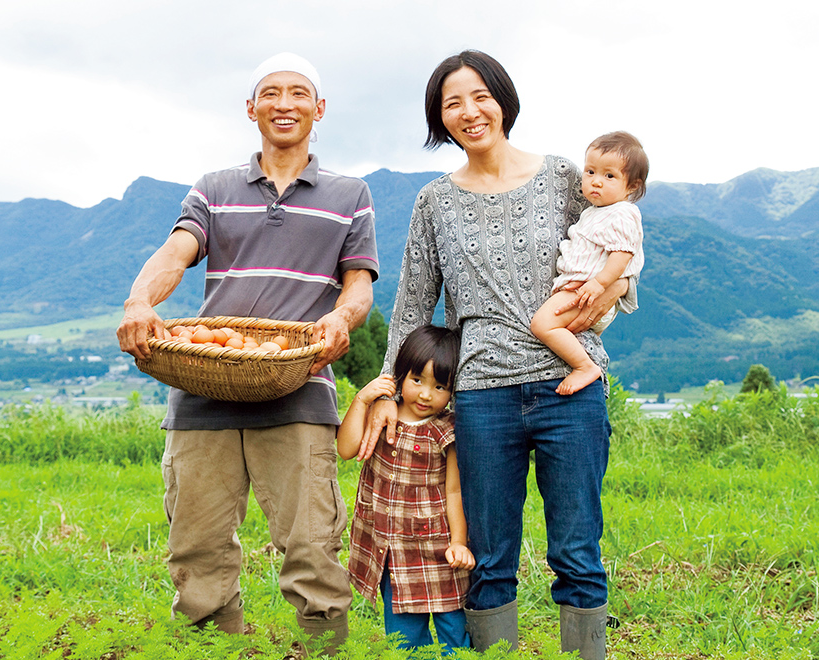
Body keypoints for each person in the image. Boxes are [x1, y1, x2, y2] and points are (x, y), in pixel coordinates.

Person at [361, 51, 637, 660]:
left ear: (503, 99)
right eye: (452, 102)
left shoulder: (567, 178)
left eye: (480, 95)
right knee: (488, 556)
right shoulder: (434, 202)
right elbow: (413, 306)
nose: (469, 111)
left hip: (570, 385)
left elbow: (619, 243)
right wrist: (386, 386)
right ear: (440, 118)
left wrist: (616, 285)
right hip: (482, 396)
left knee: (577, 549)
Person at [116, 52, 379, 655]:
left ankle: (323, 651)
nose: (283, 104)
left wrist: (340, 318)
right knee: (198, 544)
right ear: (251, 108)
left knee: (312, 545)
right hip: (203, 392)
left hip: (300, 389)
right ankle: (215, 649)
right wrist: (138, 301)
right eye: (270, 93)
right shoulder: (214, 188)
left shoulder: (349, 194)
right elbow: (176, 252)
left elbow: (358, 284)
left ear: (318, 110)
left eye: (297, 94)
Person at [337, 325, 475, 655]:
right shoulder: (381, 416)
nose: (426, 394)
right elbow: (345, 448)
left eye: (439, 386)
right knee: (404, 638)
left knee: (454, 628)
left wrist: (459, 543)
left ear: (452, 390)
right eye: (417, 381)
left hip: (437, 550)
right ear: (400, 376)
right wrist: (363, 398)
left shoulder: (446, 431)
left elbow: (454, 491)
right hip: (391, 550)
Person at [530, 131, 648, 395]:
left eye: (609, 176)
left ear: (632, 186)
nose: (596, 182)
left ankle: (585, 366)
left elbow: (623, 255)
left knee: (542, 324)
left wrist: (599, 284)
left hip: (586, 292)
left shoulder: (622, 213)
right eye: (590, 172)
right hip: (581, 289)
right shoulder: (595, 212)